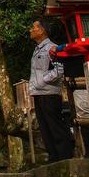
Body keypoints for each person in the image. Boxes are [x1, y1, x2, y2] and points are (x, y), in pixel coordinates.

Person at [29, 19, 74, 162]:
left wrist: (43, 80)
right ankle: (53, 155)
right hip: (38, 92)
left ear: (42, 30)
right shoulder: (37, 49)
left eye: (34, 27)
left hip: (49, 93)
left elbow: (59, 70)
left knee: (55, 125)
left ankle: (64, 155)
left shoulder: (52, 48)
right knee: (45, 127)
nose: (31, 30)